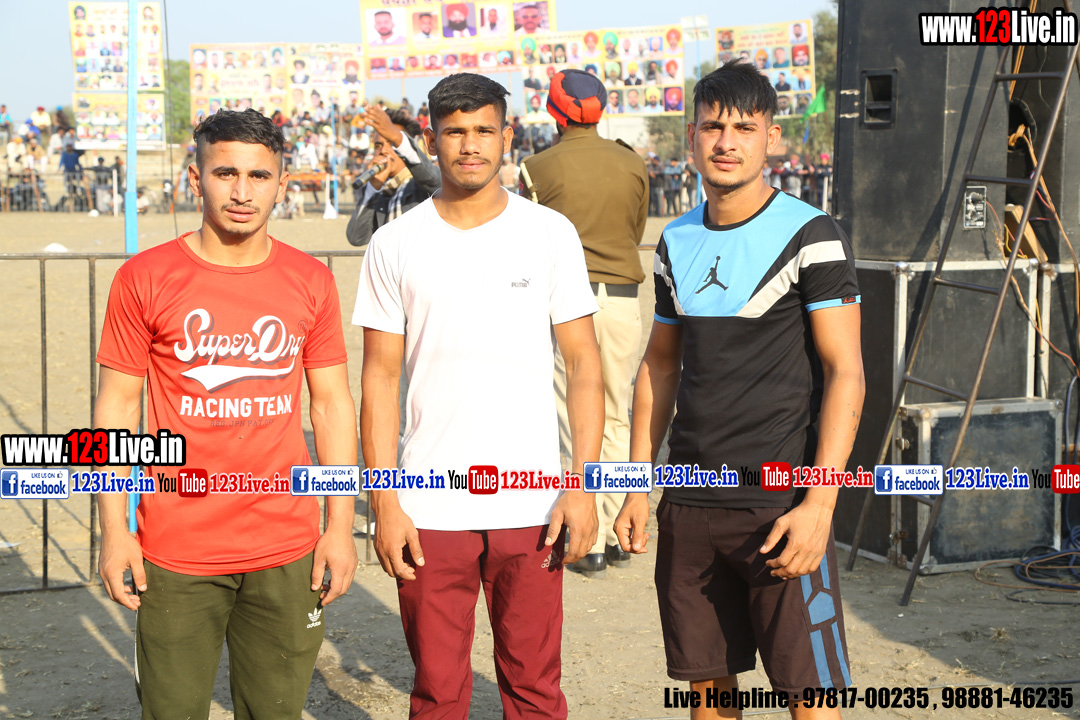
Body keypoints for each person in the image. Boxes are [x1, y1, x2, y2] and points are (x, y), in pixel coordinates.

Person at [615, 60, 862, 716]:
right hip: (690, 501)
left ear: (770, 138)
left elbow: (846, 373)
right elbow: (658, 367)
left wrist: (820, 505)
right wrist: (637, 484)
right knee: (707, 691)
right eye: (713, 127)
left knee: (811, 697)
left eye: (744, 128)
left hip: (780, 502)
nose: (726, 142)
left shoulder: (812, 234)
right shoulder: (674, 239)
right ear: (692, 137)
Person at [94, 108, 358, 719]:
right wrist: (114, 532)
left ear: (282, 184)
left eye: (259, 176)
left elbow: (332, 404)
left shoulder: (310, 280)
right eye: (226, 173)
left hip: (287, 546)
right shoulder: (144, 278)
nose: (242, 192)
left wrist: (340, 526)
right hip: (175, 549)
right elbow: (116, 408)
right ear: (196, 179)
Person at [353, 72, 602, 720]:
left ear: (507, 135)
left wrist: (583, 485)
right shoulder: (394, 244)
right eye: (455, 132)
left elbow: (584, 363)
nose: (470, 146)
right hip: (428, 503)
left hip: (533, 501)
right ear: (431, 138)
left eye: (484, 131)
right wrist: (384, 502)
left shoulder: (549, 233)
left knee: (535, 690)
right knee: (437, 694)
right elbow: (377, 379)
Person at [518, 68, 649, 579]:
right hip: (622, 300)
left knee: (571, 417)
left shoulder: (536, 167)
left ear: (554, 112)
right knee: (616, 415)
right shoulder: (631, 162)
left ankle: (585, 538)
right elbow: (635, 228)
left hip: (564, 306)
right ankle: (616, 531)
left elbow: (527, 239)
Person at [345, 106, 439, 247]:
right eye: (378, 145)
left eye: (391, 143)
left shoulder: (424, 186)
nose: (383, 150)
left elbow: (433, 178)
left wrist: (397, 137)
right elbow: (356, 237)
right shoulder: (382, 193)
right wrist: (372, 189)